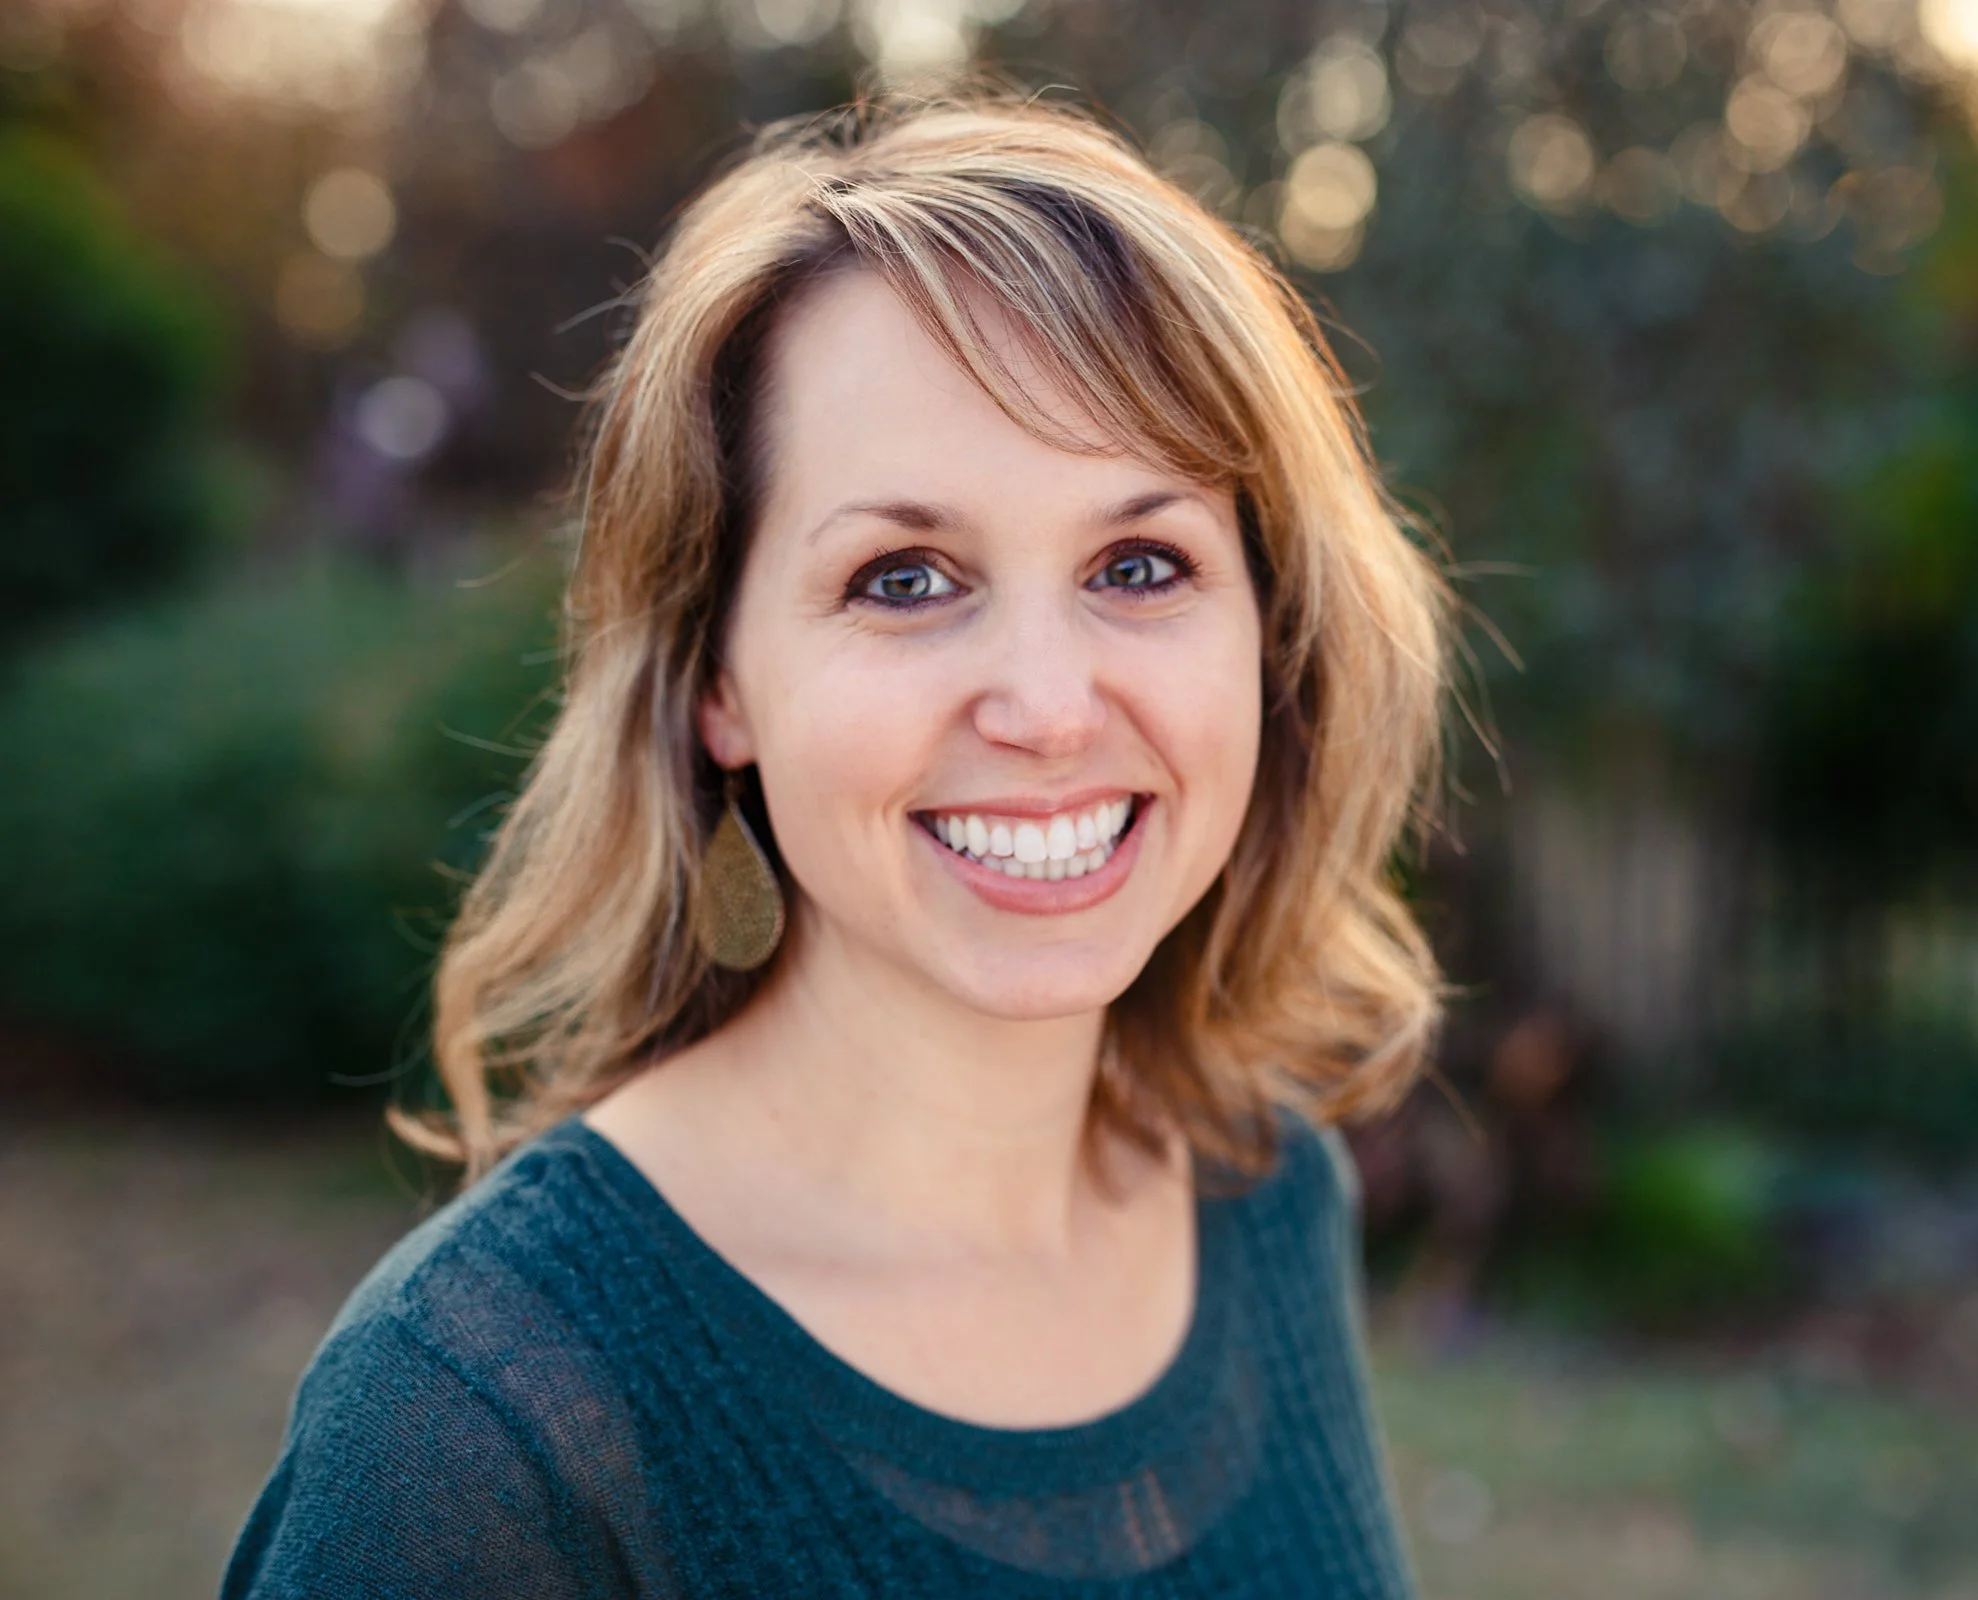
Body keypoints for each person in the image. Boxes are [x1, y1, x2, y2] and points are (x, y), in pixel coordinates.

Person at [221, 88, 1454, 1598]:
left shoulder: (1269, 1200)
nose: (1052, 708)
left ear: (1268, 631)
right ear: (720, 682)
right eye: (907, 578)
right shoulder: (476, 1427)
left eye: (1141, 562)